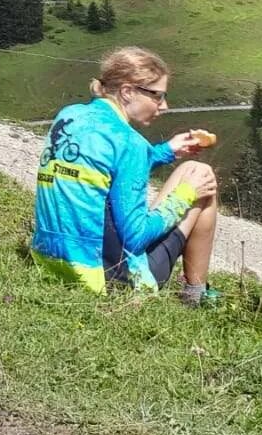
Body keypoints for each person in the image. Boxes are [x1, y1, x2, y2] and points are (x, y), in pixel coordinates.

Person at [32, 46, 221, 307]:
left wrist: (166, 152)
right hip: (107, 277)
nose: (164, 106)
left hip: (51, 260)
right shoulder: (130, 142)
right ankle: (195, 295)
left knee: (192, 174)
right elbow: (136, 238)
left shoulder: (70, 115)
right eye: (157, 96)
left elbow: (108, 168)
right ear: (127, 92)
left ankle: (195, 293)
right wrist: (187, 194)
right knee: (202, 176)